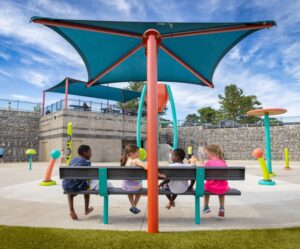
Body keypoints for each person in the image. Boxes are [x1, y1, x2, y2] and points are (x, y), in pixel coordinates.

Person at [121, 144, 166, 214]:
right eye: (138, 152)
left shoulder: (125, 161)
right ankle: (134, 205)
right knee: (140, 190)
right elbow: (147, 167)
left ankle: (133, 206)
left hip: (125, 186)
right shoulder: (136, 160)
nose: (139, 153)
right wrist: (159, 174)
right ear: (131, 154)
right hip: (135, 187)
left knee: (129, 191)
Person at [62, 145, 94, 220]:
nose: (91, 154)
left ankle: (72, 210)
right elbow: (88, 177)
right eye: (90, 152)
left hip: (66, 186)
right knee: (87, 188)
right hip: (76, 187)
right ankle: (86, 209)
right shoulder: (87, 162)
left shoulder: (73, 159)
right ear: (84, 153)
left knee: (70, 185)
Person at [202, 144, 230, 217]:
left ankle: (206, 207)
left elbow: (204, 176)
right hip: (222, 187)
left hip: (211, 187)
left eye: (206, 154)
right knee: (222, 185)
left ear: (211, 153)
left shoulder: (208, 163)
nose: (206, 155)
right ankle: (222, 208)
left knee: (206, 186)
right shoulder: (223, 163)